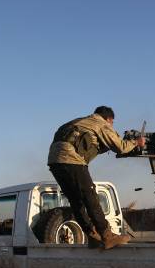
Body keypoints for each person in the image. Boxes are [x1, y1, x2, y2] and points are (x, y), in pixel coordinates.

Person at [47, 106, 145, 249]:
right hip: (71, 160)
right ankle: (107, 235)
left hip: (55, 161)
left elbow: (81, 142)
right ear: (109, 119)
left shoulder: (80, 122)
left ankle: (93, 236)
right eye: (112, 123)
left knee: (76, 201)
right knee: (89, 195)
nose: (112, 126)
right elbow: (121, 147)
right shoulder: (101, 123)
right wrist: (137, 142)